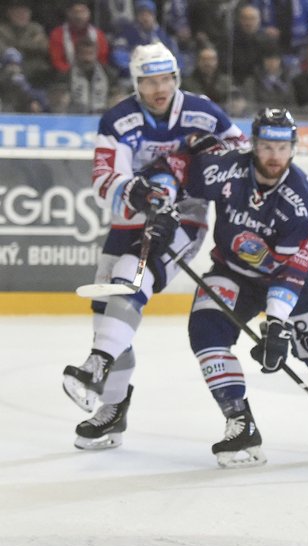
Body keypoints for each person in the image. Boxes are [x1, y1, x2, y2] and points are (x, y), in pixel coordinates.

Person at [179, 108, 308, 468]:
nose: (274, 156)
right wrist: (157, 202)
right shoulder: (225, 168)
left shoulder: (301, 202)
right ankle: (240, 421)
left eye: (281, 148)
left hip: (291, 282)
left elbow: (292, 271)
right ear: (253, 145)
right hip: (232, 273)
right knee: (205, 331)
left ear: (293, 148)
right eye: (266, 147)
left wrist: (276, 324)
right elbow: (184, 179)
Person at [62, 42, 246, 451]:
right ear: (137, 83)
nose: (158, 87)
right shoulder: (119, 119)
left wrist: (209, 160)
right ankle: (113, 411)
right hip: (130, 219)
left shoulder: (203, 112)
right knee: (109, 318)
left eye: (165, 78)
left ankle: (95, 364)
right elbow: (104, 177)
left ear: (176, 79)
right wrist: (137, 191)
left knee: (132, 277)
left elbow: (241, 156)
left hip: (185, 218)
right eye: (148, 80)